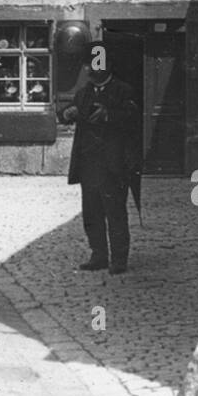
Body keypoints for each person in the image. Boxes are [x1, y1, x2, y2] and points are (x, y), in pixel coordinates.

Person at [64, 42, 141, 273]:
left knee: (115, 212)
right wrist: (67, 113)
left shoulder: (122, 90)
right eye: (89, 64)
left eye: (97, 64)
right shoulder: (83, 93)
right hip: (89, 164)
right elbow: (69, 111)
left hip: (113, 163)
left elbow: (133, 117)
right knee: (91, 213)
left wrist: (109, 115)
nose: (91, 69)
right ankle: (99, 255)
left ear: (108, 65)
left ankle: (119, 260)